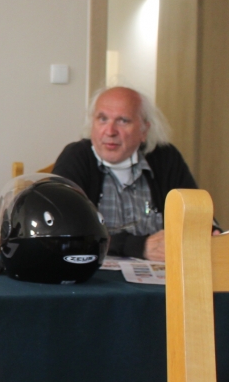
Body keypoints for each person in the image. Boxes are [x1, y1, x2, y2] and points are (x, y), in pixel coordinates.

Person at [52, 86, 214, 261]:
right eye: (103, 119)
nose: (110, 131)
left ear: (144, 130)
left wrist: (209, 231)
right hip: (94, 272)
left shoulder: (166, 158)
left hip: (160, 272)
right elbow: (63, 232)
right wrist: (138, 246)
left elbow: (196, 217)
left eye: (123, 121)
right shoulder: (76, 157)